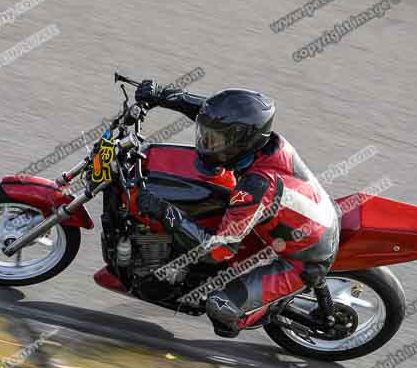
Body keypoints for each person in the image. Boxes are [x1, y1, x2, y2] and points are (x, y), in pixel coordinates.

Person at [134, 80, 340, 338]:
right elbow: (214, 116)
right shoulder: (264, 141)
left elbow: (218, 250)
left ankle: (269, 309)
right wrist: (163, 96)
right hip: (306, 216)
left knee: (220, 308)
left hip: (305, 258)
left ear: (241, 141)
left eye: (215, 141)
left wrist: (165, 212)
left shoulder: (255, 188)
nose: (207, 144)